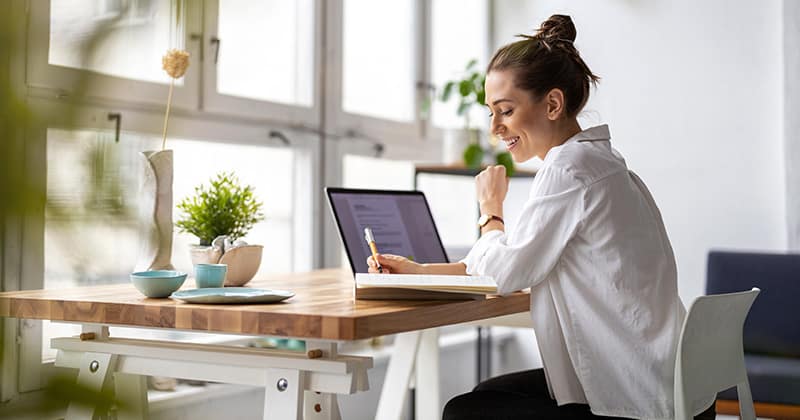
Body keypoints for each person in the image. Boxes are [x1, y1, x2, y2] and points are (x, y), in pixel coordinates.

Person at [367, 14, 717, 420]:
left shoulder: (569, 169)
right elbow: (511, 262)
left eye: (506, 110)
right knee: (486, 394)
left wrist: (490, 211)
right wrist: (419, 270)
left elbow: (504, 274)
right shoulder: (601, 162)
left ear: (552, 103)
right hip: (670, 387)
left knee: (465, 411)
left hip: (637, 400)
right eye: (490, 112)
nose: (495, 127)